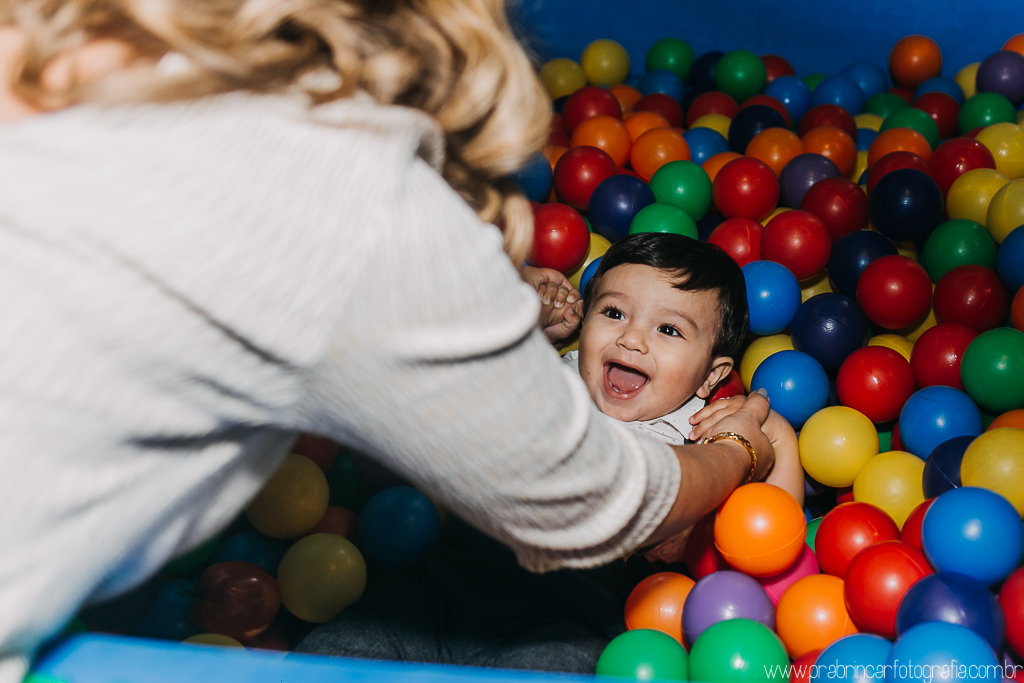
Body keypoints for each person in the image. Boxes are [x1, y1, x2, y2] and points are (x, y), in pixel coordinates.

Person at [0, 1, 776, 681]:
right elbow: (587, 493)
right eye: (615, 313)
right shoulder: (357, 195)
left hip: (564, 609)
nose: (633, 337)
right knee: (353, 639)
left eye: (668, 329)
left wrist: (752, 440)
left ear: (710, 372)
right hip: (440, 576)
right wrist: (733, 454)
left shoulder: (75, 58)